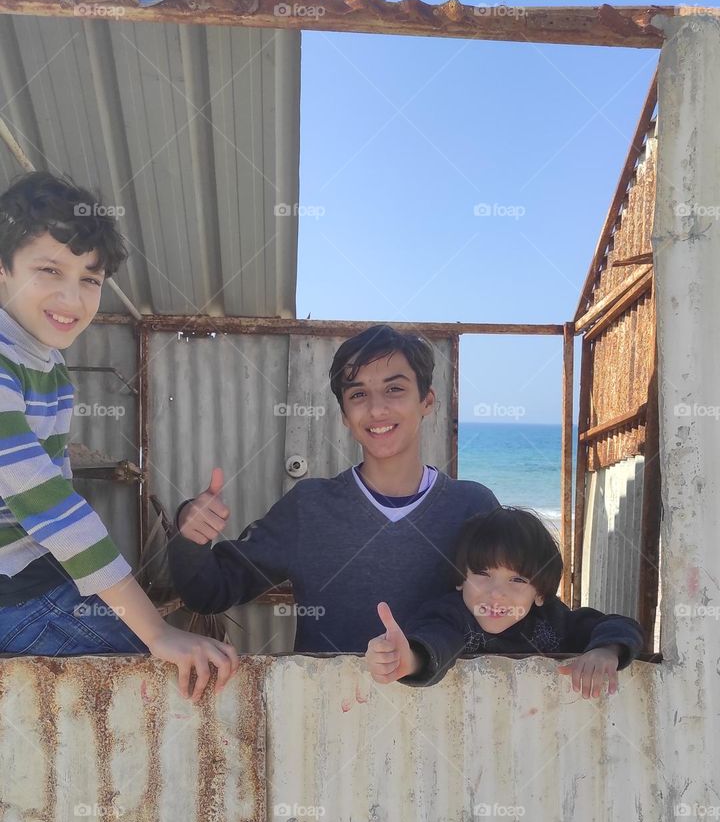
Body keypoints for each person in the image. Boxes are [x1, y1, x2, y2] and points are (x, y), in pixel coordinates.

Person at [0, 171, 238, 702]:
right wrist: (154, 631)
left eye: (89, 277)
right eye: (48, 270)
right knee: (157, 680)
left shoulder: (48, 367)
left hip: (30, 577)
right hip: (10, 595)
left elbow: (53, 488)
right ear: (2, 270)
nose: (72, 296)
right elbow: (50, 504)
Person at [168, 325, 500, 653]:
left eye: (394, 389)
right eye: (358, 394)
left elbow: (522, 611)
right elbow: (208, 593)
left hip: (449, 704)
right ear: (344, 414)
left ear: (426, 401)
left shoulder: (472, 507)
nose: (376, 409)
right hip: (326, 704)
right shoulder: (309, 508)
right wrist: (190, 534)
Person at [365, 506, 645, 698]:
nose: (497, 593)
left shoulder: (553, 619)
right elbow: (434, 642)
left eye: (518, 580)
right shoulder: (452, 616)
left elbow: (619, 625)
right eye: (483, 574)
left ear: (540, 594)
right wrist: (407, 660)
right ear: (461, 578)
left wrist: (605, 651)